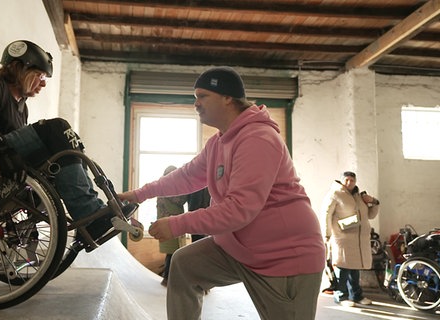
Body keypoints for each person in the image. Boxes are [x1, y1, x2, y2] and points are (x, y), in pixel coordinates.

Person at [119, 66, 326, 320]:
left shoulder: (258, 139)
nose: (196, 104)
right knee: (185, 265)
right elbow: (186, 176)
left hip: (284, 257)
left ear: (228, 97)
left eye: (202, 96)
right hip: (239, 248)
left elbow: (239, 209)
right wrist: (139, 194)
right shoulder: (219, 141)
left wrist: (176, 224)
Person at [0, 40, 126, 242]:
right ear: (19, 68)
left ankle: (94, 212)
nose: (43, 82)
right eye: (40, 75)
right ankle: (88, 215)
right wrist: (3, 151)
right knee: (57, 128)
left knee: (65, 146)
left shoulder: (22, 109)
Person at [322, 171, 380, 307]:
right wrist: (326, 234)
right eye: (346, 180)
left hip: (359, 239)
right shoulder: (335, 194)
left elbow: (370, 215)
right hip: (342, 238)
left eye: (352, 180)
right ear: (342, 181)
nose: (349, 183)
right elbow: (326, 214)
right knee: (342, 267)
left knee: (355, 268)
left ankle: (356, 295)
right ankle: (341, 296)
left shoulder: (359, 196)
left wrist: (373, 202)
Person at [156, 165, 188, 287]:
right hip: (170, 224)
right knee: (173, 253)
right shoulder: (168, 187)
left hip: (167, 224)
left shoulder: (161, 186)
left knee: (172, 253)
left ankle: (168, 277)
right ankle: (168, 278)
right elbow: (180, 200)